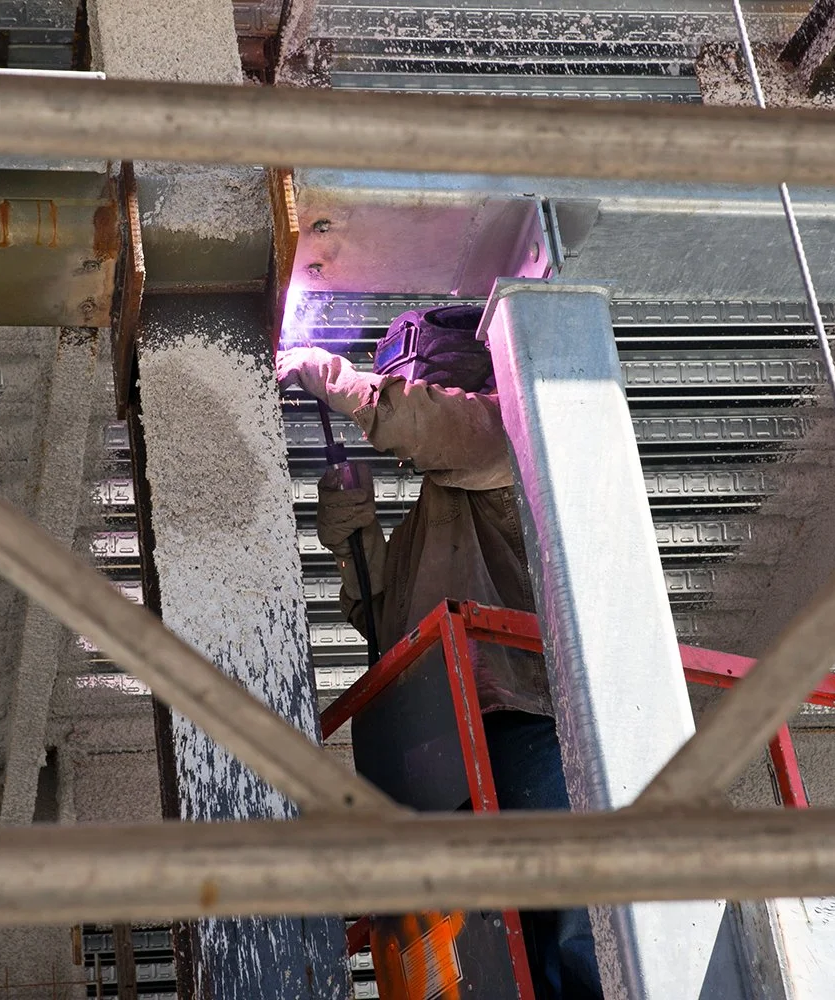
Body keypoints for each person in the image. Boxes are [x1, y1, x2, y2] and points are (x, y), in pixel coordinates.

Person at [276, 305, 603, 1000]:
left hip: (518, 718)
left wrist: (334, 378)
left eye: (407, 387)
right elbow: (390, 619)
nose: (399, 439)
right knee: (484, 945)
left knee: (569, 917)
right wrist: (352, 529)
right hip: (441, 747)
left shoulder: (514, 444)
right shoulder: (440, 506)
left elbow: (443, 428)